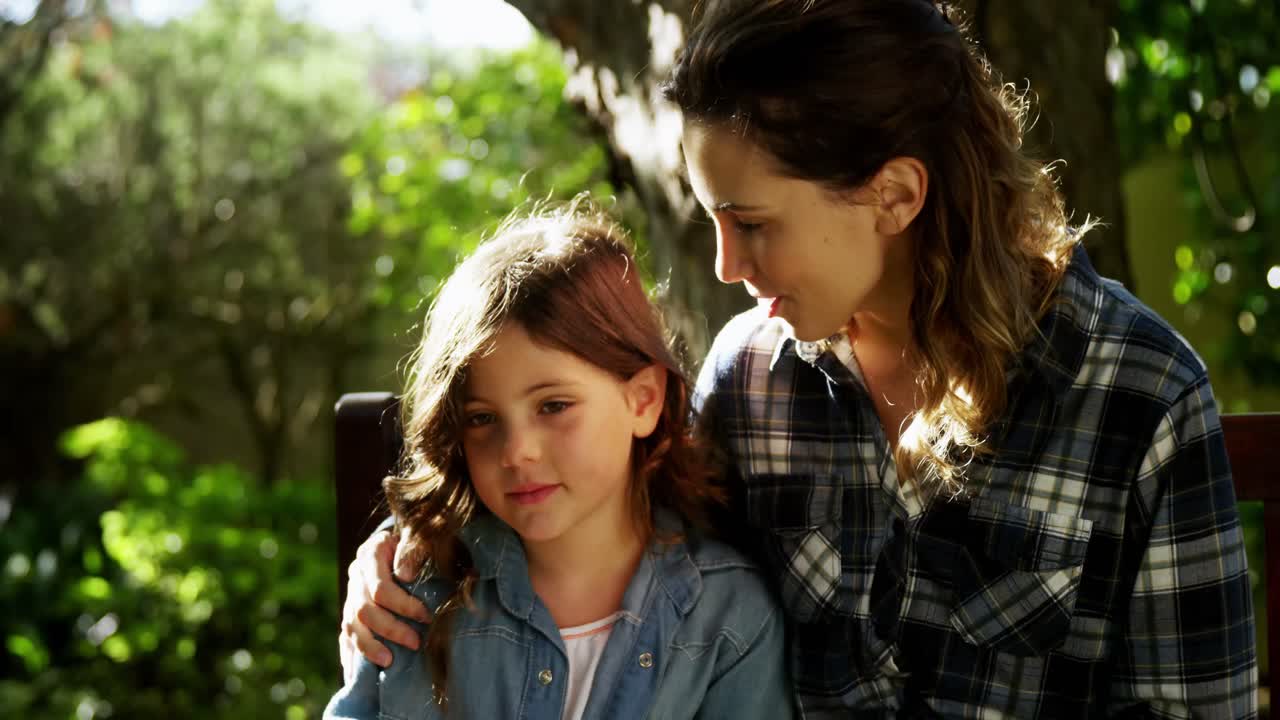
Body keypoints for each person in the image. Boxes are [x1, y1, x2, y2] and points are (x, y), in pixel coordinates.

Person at [339, 1, 1258, 717]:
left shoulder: (1138, 393)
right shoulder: (753, 378)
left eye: (752, 224)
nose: (725, 267)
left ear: (894, 194)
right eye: (712, 220)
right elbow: (597, 517)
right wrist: (401, 551)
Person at [325, 201, 792, 720]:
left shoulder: (728, 618)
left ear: (642, 401)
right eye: (482, 418)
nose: (516, 450)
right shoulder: (412, 592)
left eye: (554, 406)